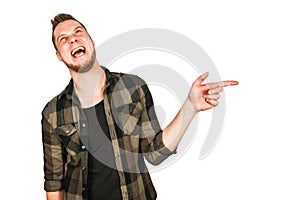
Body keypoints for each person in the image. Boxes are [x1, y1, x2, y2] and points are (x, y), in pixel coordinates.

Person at [41, 13, 238, 200]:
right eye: (63, 38)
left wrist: (190, 107)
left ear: (91, 41)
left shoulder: (132, 87)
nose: (73, 40)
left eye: (78, 32)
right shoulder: (53, 113)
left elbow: (155, 153)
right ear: (59, 55)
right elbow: (54, 182)